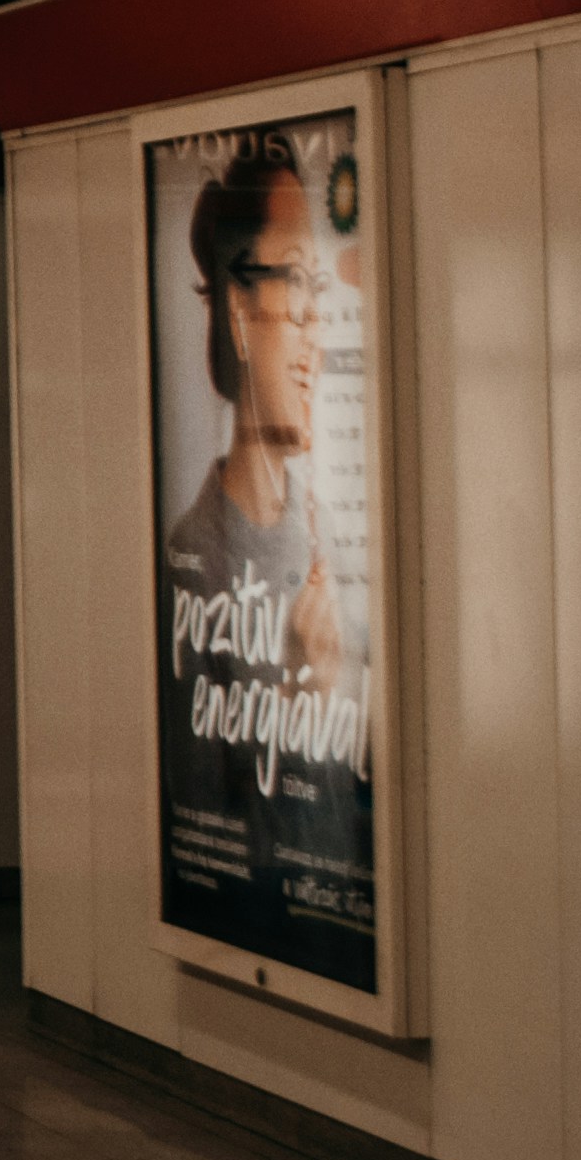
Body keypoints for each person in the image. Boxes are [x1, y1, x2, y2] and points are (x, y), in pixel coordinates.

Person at [163, 143, 368, 891]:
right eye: (293, 285)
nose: (316, 327)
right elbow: (207, 851)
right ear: (240, 312)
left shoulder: (330, 532)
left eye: (320, 290)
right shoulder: (194, 557)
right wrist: (301, 700)